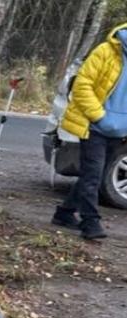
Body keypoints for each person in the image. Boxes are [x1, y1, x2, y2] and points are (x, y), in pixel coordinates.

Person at [54, 23, 127, 241]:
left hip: (119, 130)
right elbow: (82, 85)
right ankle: (90, 221)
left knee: (92, 173)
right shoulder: (106, 52)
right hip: (94, 127)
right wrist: (99, 116)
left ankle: (64, 213)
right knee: (92, 175)